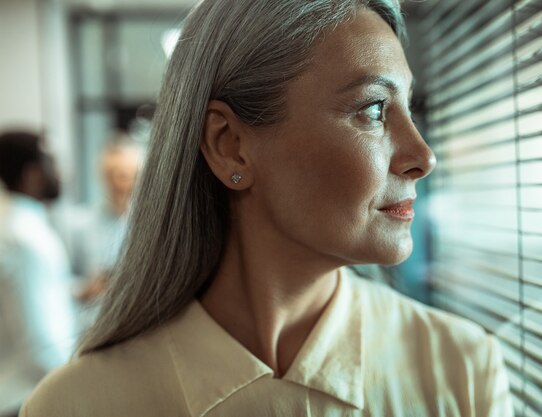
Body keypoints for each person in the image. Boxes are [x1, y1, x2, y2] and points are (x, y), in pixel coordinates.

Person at [21, 1, 514, 416]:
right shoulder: (77, 405)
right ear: (231, 145)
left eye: (408, 106)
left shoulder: (460, 370)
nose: (424, 157)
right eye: (373, 109)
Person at [0, 131, 76, 417]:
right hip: (26, 398)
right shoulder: (24, 237)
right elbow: (42, 342)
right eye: (51, 162)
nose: (60, 173)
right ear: (32, 173)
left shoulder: (14, 225)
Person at [69, 133, 143, 303]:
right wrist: (84, 289)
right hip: (95, 319)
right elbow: (61, 279)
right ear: (103, 177)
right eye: (114, 175)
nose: (121, 184)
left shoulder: (155, 226)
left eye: (128, 175)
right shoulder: (81, 225)